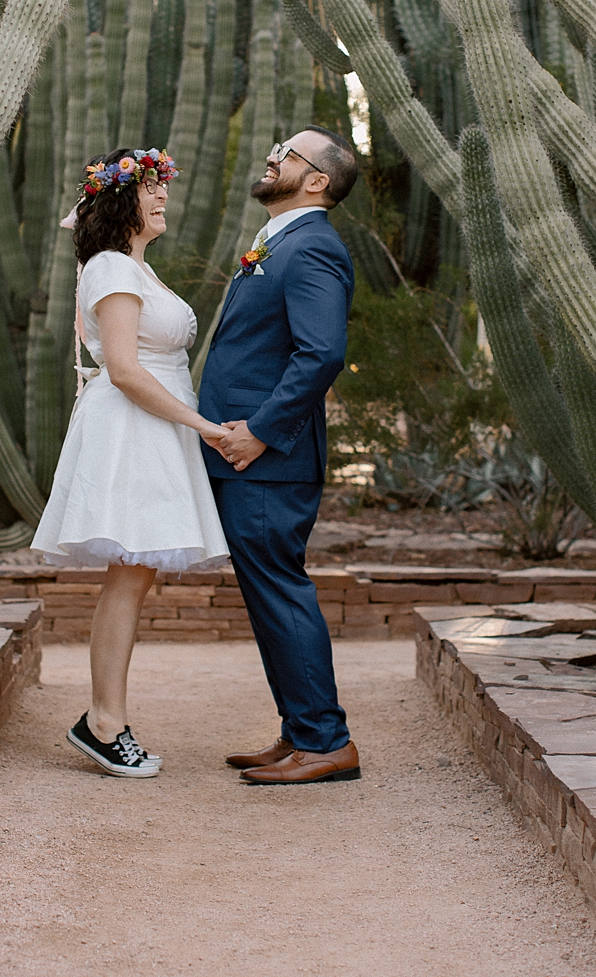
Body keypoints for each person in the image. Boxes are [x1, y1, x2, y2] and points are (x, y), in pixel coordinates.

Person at [33, 147, 231, 779]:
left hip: (153, 426)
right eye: (150, 189)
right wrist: (203, 427)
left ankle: (103, 720)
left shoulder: (133, 267)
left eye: (162, 189)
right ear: (121, 200)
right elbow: (122, 369)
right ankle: (103, 723)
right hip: (133, 427)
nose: (162, 198)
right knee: (128, 575)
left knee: (134, 576)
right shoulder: (113, 266)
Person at [199, 127, 361, 784]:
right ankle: (302, 730)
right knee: (268, 591)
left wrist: (260, 431)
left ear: (317, 179)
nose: (272, 157)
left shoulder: (314, 247)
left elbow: (320, 352)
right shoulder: (281, 241)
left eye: (287, 153)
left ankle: (327, 740)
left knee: (280, 588)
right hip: (249, 453)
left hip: (267, 455)